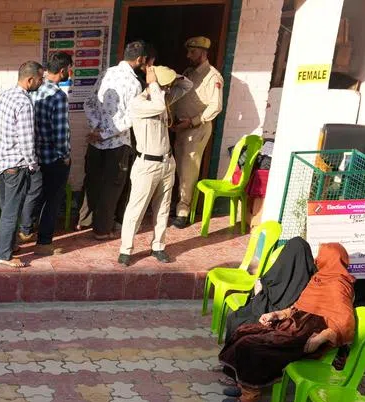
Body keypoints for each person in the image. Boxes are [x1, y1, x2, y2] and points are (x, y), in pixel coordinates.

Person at [219, 243, 356, 402]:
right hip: (292, 325)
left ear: (330, 259)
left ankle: (250, 397)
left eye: (321, 256)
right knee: (243, 331)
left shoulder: (338, 285)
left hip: (307, 334)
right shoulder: (319, 279)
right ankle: (243, 385)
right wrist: (277, 315)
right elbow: (297, 308)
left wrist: (322, 337)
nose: (317, 259)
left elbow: (345, 322)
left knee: (252, 346)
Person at [117, 66, 192, 267]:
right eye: (164, 85)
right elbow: (158, 106)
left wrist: (174, 75)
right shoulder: (139, 103)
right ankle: (126, 249)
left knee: (163, 208)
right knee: (136, 209)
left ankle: (158, 246)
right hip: (146, 164)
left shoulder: (163, 97)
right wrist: (152, 82)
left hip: (167, 162)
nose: (167, 90)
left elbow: (187, 85)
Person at [82, 40, 148, 240]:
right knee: (112, 186)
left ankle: (86, 221)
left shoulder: (106, 73)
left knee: (93, 181)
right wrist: (104, 133)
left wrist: (96, 128)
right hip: (116, 143)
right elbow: (131, 117)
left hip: (96, 141)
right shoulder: (135, 84)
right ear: (139, 59)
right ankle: (102, 229)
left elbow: (90, 102)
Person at [0, 61, 44, 267]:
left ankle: (10, 245)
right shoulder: (24, 102)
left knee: (7, 207)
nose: (41, 83)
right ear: (30, 80)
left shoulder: (4, 96)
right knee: (12, 211)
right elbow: (26, 138)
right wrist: (33, 164)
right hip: (16, 164)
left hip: (3, 161)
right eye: (40, 79)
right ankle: (3, 254)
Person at [20, 52, 73, 257]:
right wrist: (65, 154)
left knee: (34, 194)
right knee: (52, 199)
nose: (71, 72)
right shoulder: (58, 96)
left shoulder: (33, 90)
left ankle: (24, 231)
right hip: (53, 156)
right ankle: (43, 243)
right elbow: (61, 131)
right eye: (70, 69)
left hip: (34, 154)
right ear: (62, 70)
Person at [171, 36, 224, 228]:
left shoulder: (213, 76)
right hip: (181, 128)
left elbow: (215, 107)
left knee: (188, 169)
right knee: (179, 166)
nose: (188, 55)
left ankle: (183, 211)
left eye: (192, 52)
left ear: (203, 53)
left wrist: (193, 121)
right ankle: (178, 203)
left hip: (196, 129)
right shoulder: (189, 72)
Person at [222, 237, 316, 341]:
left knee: (236, 320)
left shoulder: (280, 273)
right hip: (276, 317)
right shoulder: (311, 280)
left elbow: (264, 306)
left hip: (272, 320)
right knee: (236, 319)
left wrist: (258, 292)